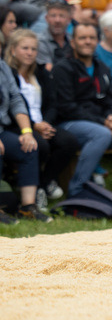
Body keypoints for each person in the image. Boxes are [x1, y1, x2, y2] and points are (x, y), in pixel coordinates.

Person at [53, 23, 112, 198]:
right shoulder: (63, 68)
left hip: (100, 124)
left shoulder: (101, 68)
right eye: (82, 38)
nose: (87, 42)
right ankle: (78, 191)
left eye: (91, 38)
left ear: (97, 42)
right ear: (73, 42)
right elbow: (67, 107)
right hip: (69, 124)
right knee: (101, 134)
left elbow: (110, 101)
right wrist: (103, 122)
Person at [6, 29, 78, 209]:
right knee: (40, 145)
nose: (30, 52)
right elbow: (9, 109)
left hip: (43, 122)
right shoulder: (7, 74)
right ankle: (37, 188)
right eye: (25, 48)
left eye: (33, 49)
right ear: (13, 49)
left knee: (68, 142)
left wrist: (45, 123)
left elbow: (53, 103)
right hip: (18, 125)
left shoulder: (41, 73)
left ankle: (44, 184)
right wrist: (33, 126)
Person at [0, 49, 51, 222]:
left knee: (28, 147)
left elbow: (15, 99)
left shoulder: (3, 68)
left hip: (2, 130)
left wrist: (27, 132)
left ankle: (28, 208)